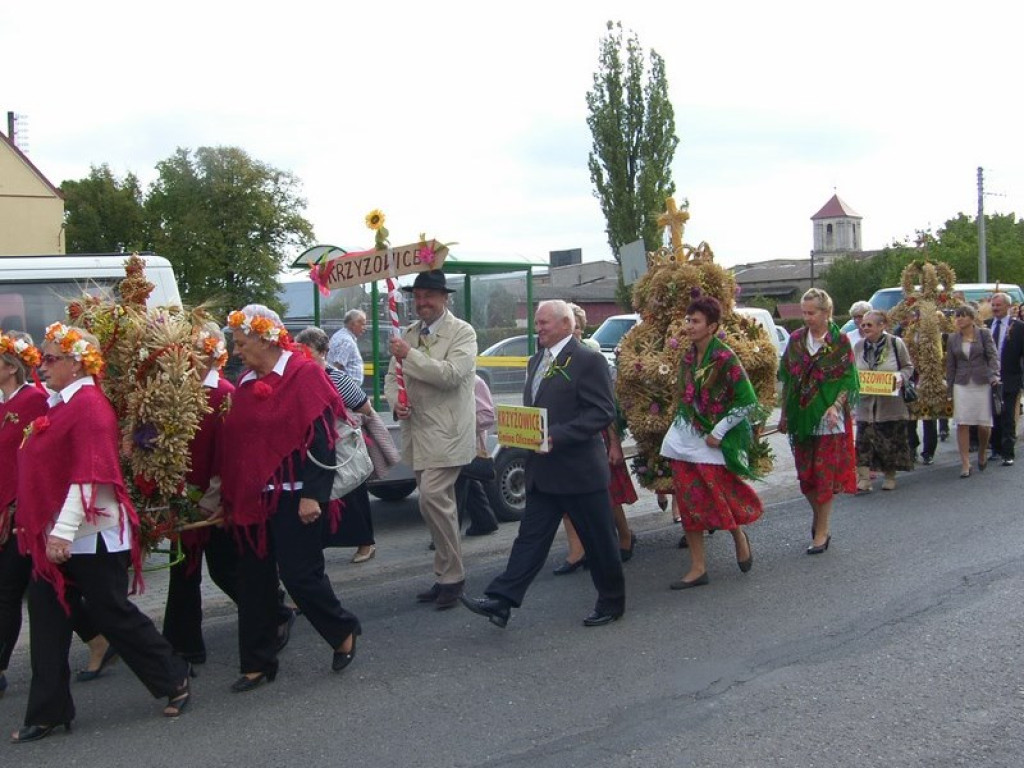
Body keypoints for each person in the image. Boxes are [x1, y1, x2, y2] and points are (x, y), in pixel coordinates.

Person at [13, 324, 192, 743]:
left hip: (90, 534)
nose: (43, 364)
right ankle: (48, 711)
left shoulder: (90, 406)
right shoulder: (60, 404)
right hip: (58, 532)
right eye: (43, 356)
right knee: (47, 617)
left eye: (51, 358)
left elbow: (88, 478)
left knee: (112, 612)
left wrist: (62, 533)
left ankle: (173, 674)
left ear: (77, 362)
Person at [219, 305, 360, 693]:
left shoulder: (305, 373)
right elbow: (240, 445)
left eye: (242, 342)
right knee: (253, 582)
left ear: (265, 339)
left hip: (297, 497)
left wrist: (313, 495)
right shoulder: (247, 382)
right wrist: (228, 494)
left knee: (300, 576)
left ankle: (342, 628)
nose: (236, 350)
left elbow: (322, 440)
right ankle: (257, 663)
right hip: (255, 499)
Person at [460, 300, 625, 628]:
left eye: (544, 323)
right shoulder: (537, 359)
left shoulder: (588, 360)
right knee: (530, 539)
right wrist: (520, 433)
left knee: (599, 540)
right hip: (544, 472)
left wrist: (557, 436)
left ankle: (612, 601)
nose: (538, 328)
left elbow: (602, 412)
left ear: (566, 324)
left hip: (579, 472)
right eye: (537, 323)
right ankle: (502, 600)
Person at [162, 323, 298, 664]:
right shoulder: (183, 394)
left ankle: (273, 612)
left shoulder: (223, 394)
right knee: (184, 569)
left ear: (211, 354)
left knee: (225, 569)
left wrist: (214, 497)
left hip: (214, 499)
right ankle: (182, 645)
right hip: (188, 495)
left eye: (192, 350)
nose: (184, 357)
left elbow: (231, 453)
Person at [385, 270, 477, 610]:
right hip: (418, 434)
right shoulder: (407, 333)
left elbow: (451, 376)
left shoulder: (462, 333)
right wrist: (396, 403)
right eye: (417, 296)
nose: (421, 302)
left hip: (448, 434)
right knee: (439, 505)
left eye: (429, 296)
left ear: (444, 298)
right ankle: (445, 575)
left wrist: (410, 355)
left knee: (432, 497)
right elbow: (391, 379)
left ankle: (453, 576)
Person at [659, 296, 763, 588]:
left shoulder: (726, 358)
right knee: (689, 499)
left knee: (720, 496)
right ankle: (698, 567)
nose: (689, 326)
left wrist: (719, 431)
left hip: (712, 441)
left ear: (712, 326)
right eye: (688, 320)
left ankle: (738, 536)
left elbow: (747, 401)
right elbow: (683, 396)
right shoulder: (688, 357)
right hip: (685, 437)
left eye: (695, 321)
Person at [553, 302, 637, 573]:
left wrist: (614, 443)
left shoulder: (591, 356)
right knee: (567, 496)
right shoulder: (551, 357)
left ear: (579, 329)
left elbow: (607, 405)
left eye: (576, 327)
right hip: (565, 433)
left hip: (594, 433)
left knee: (608, 494)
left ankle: (624, 536)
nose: (572, 333)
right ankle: (578, 551)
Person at [778, 288, 859, 555]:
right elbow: (788, 380)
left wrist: (836, 406)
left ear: (826, 312)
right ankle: (819, 518)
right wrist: (784, 415)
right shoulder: (796, 340)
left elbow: (848, 380)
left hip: (829, 418)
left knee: (824, 475)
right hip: (801, 416)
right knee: (806, 476)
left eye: (811, 313)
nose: (807, 318)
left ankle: (821, 532)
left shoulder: (840, 341)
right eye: (804, 313)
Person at [296, 326, 378, 563]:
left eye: (307, 351)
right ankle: (316, 547)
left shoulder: (336, 377)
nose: (302, 356)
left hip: (340, 446)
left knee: (352, 494)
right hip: (313, 447)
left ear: (323, 352)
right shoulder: (299, 376)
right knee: (318, 497)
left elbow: (365, 407)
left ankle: (366, 543)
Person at [852, 311, 915, 492]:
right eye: (863, 325)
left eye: (869, 325)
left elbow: (908, 366)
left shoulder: (895, 343)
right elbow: (853, 371)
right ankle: (864, 479)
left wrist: (901, 378)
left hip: (890, 404)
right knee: (863, 441)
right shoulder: (858, 346)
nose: (864, 328)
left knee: (889, 440)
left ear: (882, 326)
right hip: (865, 404)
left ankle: (890, 475)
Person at [945, 305, 1000, 478]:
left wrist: (994, 375)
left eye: (962, 316)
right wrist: (949, 389)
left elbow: (992, 356)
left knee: (984, 424)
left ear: (971, 318)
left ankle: (982, 451)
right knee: (962, 422)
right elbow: (950, 365)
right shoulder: (953, 338)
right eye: (957, 316)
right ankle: (965, 463)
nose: (959, 319)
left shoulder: (984, 334)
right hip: (961, 383)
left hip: (982, 381)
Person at [455, 374, 499, 537]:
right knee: (468, 480)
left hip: (467, 443)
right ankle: (484, 521)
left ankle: (449, 534)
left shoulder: (475, 382)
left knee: (455, 486)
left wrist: (458, 426)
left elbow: (487, 417)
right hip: (456, 442)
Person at [985, 292, 1024, 466]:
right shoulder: (985, 326)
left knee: (1008, 414)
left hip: (1010, 376)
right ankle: (995, 448)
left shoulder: (1018, 327)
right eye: (993, 305)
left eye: (998, 305)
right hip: (988, 378)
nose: (995, 308)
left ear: (1007, 307)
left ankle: (1008, 452)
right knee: (993, 414)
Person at [327, 309, 367, 383]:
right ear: (352, 324)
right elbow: (337, 366)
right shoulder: (347, 341)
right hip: (345, 388)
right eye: (363, 324)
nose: (365, 328)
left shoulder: (339, 335)